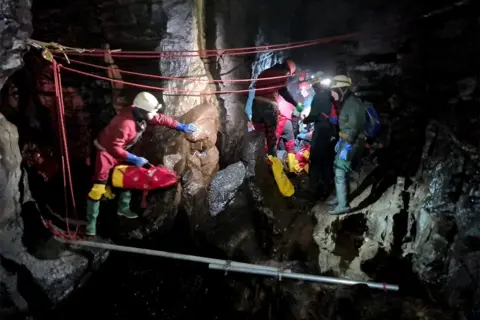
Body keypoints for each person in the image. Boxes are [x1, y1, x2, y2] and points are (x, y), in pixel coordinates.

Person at [86, 91, 197, 236]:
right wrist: (135, 159)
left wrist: (180, 126)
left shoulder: (140, 115)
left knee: (129, 177)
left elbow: (160, 118)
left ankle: (123, 208)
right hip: (105, 152)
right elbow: (114, 148)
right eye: (153, 111)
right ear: (142, 110)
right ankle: (90, 227)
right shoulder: (125, 124)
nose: (155, 114)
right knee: (98, 189)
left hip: (122, 149)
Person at [251, 59, 303, 172]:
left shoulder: (264, 72)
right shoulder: (281, 74)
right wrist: (295, 103)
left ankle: (258, 165)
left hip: (256, 105)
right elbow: (284, 91)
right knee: (271, 139)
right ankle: (274, 169)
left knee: (259, 135)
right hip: (269, 106)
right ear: (288, 71)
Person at [327, 75, 367, 215]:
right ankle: (339, 198)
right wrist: (341, 140)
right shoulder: (348, 101)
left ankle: (343, 205)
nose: (332, 94)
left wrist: (347, 145)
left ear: (341, 89)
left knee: (340, 171)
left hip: (351, 142)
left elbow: (354, 127)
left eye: (333, 90)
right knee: (337, 167)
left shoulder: (352, 103)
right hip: (346, 140)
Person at [301, 78, 338, 199]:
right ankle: (327, 187)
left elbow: (314, 115)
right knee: (327, 159)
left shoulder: (318, 97)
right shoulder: (329, 96)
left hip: (321, 130)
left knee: (315, 159)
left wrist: (306, 119)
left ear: (315, 86)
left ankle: (313, 189)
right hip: (331, 131)